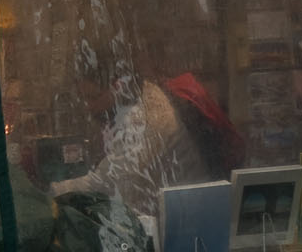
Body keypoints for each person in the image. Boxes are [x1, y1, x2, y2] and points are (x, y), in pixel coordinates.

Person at [51, 45, 244, 226]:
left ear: (117, 86)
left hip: (191, 223)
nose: (88, 106)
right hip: (176, 213)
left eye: (93, 98)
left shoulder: (149, 117)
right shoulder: (140, 100)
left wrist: (51, 192)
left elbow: (106, 181)